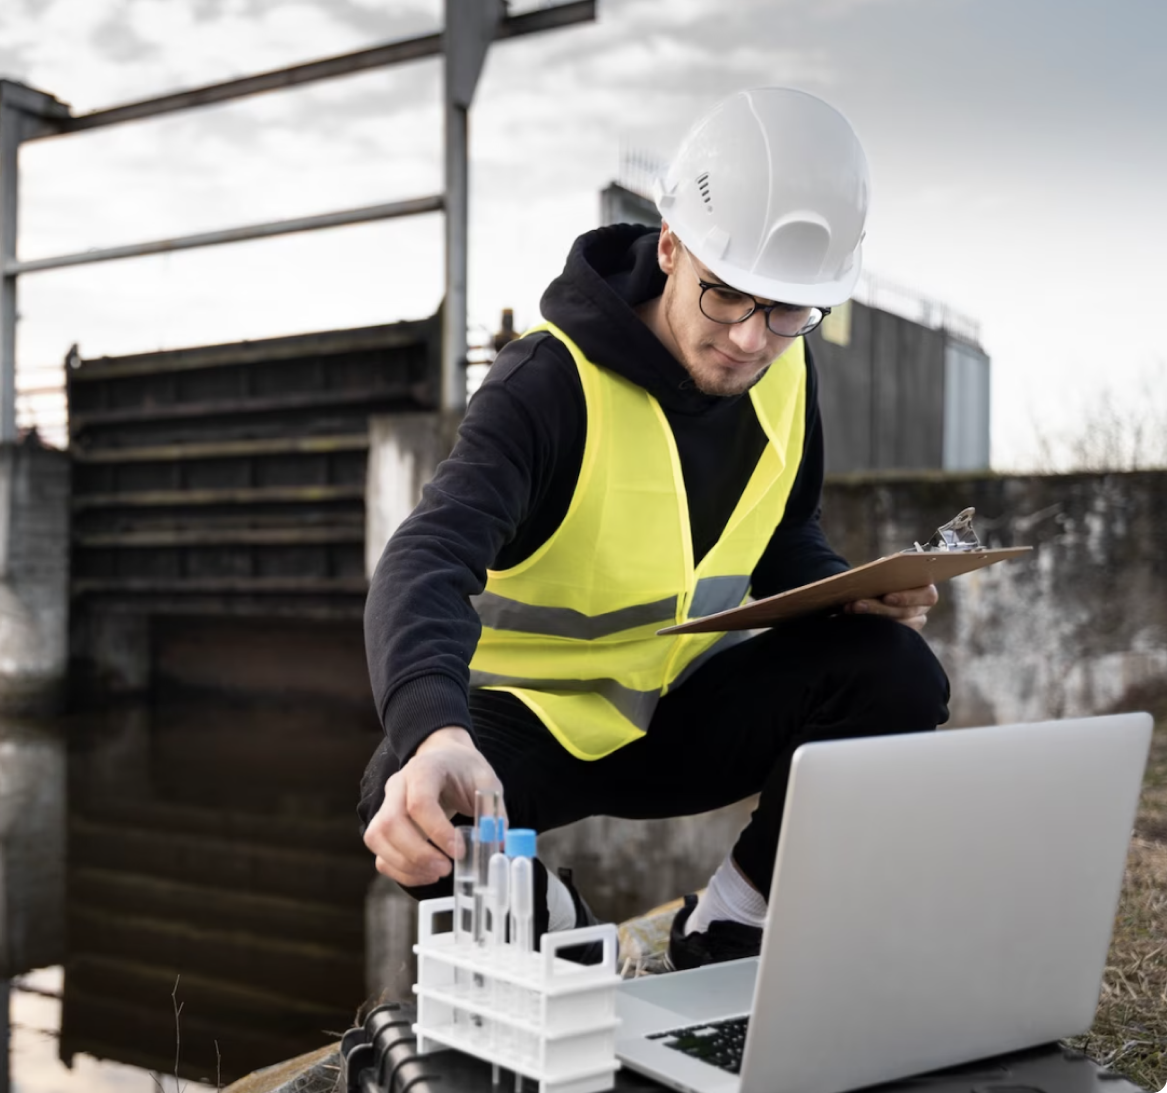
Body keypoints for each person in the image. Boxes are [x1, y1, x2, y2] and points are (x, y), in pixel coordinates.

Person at [358, 88, 949, 970]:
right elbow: (427, 556)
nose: (752, 340)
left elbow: (783, 530)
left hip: (683, 714)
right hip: (538, 728)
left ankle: (731, 924)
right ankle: (563, 931)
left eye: (788, 310)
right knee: (405, 796)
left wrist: (845, 596)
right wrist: (438, 731)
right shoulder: (545, 388)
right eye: (726, 297)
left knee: (896, 673)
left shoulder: (788, 370)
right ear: (670, 247)